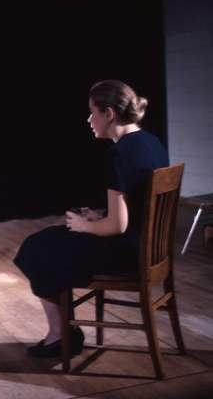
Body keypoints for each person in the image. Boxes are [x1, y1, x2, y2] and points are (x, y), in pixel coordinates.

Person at [13, 79, 169, 358]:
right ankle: (64, 332)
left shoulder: (119, 153)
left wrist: (87, 225)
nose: (89, 119)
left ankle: (61, 336)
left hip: (125, 253)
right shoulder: (151, 142)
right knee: (48, 241)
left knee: (36, 248)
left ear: (109, 114)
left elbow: (116, 226)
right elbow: (136, 205)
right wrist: (99, 216)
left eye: (92, 112)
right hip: (147, 249)